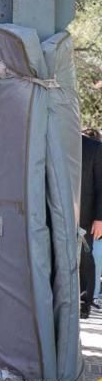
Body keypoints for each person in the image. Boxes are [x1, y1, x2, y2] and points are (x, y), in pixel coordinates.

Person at [80, 131, 102, 317]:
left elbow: (101, 186)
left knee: (85, 257)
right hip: (55, 215)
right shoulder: (52, 144)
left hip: (86, 218)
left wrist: (100, 219)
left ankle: (84, 303)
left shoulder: (94, 148)